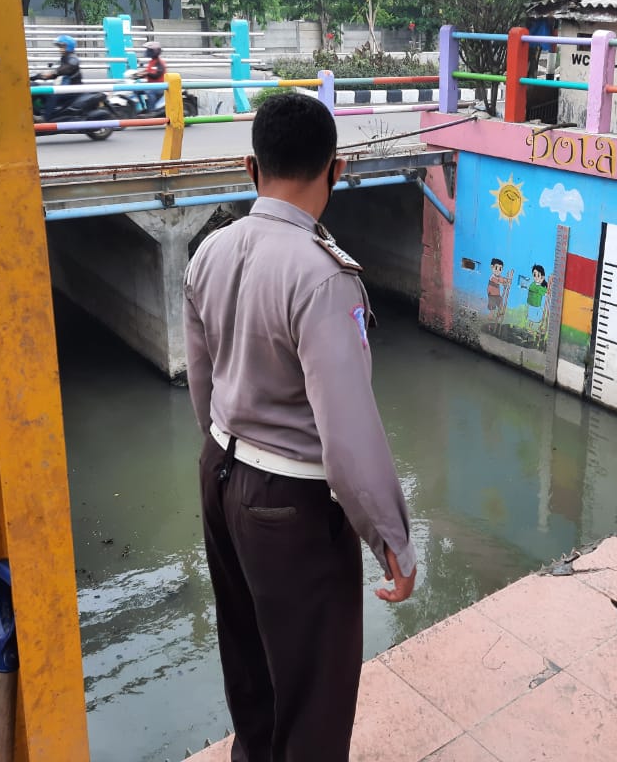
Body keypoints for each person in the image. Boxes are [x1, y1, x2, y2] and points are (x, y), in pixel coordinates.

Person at [183, 92, 416, 762]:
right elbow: (346, 432)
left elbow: (203, 388)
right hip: (290, 505)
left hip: (221, 476)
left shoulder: (210, 253)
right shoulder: (323, 275)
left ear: (251, 168)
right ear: (335, 171)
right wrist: (391, 538)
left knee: (250, 660)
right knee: (314, 687)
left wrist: (230, 454)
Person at [35, 34, 82, 120]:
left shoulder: (72, 58)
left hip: (72, 89)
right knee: (41, 91)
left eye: (62, 46)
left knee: (52, 95)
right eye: (60, 46)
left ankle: (45, 118)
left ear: (68, 47)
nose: (60, 49)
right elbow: (58, 73)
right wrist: (37, 76)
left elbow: (68, 67)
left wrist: (54, 72)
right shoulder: (64, 58)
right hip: (65, 86)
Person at [131, 39, 166, 111]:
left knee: (149, 91)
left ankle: (152, 110)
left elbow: (156, 74)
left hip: (159, 87)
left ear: (155, 51)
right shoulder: (152, 62)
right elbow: (147, 71)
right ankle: (143, 108)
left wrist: (146, 74)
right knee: (135, 89)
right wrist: (137, 74)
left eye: (149, 50)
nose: (147, 52)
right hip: (152, 85)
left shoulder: (159, 62)